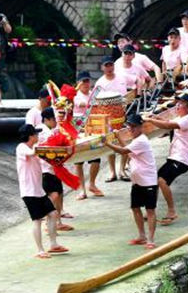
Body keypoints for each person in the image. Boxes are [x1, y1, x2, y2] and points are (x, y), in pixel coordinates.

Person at [103, 115, 159, 248]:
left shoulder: (141, 140)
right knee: (135, 208)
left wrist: (106, 143)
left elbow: (123, 151)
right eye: (129, 126)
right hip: (137, 181)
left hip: (148, 181)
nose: (130, 129)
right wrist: (118, 137)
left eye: (133, 126)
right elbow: (128, 151)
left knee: (150, 211)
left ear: (140, 127)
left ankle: (150, 239)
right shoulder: (136, 141)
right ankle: (142, 236)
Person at [16, 124, 68, 259]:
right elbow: (33, 152)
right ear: (30, 136)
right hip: (29, 192)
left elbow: (44, 156)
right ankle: (40, 250)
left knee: (53, 214)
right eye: (35, 134)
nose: (37, 136)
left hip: (38, 190)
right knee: (37, 220)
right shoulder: (22, 147)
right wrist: (44, 144)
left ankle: (53, 244)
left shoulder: (34, 148)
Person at [144, 94, 188, 225]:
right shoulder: (181, 117)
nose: (177, 106)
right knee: (155, 181)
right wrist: (155, 117)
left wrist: (150, 121)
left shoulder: (187, 119)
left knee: (162, 181)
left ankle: (172, 211)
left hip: (182, 160)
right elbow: (167, 122)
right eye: (178, 103)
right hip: (174, 157)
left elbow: (168, 126)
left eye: (181, 104)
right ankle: (151, 210)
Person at [93, 56, 130, 182]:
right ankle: (112, 172)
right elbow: (95, 101)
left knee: (124, 142)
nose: (109, 68)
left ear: (113, 66)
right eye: (106, 66)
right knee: (110, 145)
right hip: (107, 117)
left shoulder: (121, 78)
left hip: (121, 114)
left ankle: (122, 170)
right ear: (102, 67)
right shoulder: (99, 83)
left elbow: (126, 95)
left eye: (110, 65)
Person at [36, 107, 73, 232]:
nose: (55, 121)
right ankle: (47, 221)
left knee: (59, 194)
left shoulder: (51, 129)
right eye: (53, 119)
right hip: (46, 168)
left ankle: (57, 222)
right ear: (47, 119)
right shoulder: (41, 131)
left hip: (55, 167)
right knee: (53, 195)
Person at [73, 71, 103, 199]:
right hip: (79, 130)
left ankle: (92, 184)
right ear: (78, 83)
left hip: (93, 129)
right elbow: (80, 104)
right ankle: (82, 189)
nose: (85, 84)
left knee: (96, 158)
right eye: (83, 81)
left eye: (87, 81)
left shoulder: (93, 94)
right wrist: (96, 103)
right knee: (79, 161)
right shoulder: (75, 96)